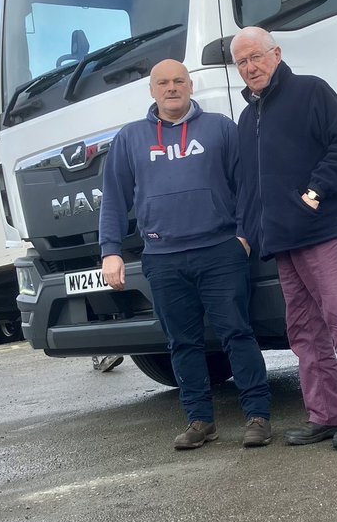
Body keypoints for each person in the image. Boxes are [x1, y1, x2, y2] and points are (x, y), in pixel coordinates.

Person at [98, 59, 272, 450]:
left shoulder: (220, 129)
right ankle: (199, 421)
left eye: (179, 81)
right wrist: (111, 251)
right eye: (163, 82)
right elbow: (114, 199)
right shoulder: (130, 139)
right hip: (163, 257)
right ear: (152, 90)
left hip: (219, 251)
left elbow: (248, 185)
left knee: (237, 334)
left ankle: (258, 415)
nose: (171, 88)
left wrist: (243, 235)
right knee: (182, 343)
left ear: (191, 86)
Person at [231, 26, 337, 450]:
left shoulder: (311, 92)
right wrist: (246, 231)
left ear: (276, 54)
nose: (250, 67)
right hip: (282, 243)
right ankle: (327, 416)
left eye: (256, 57)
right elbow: (249, 184)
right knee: (305, 333)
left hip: (323, 232)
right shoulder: (247, 118)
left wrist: (314, 193)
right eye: (242, 62)